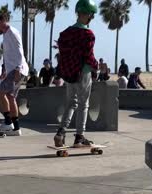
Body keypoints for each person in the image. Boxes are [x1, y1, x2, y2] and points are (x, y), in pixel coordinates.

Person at [54, 0, 99, 148]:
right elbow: (89, 56)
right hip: (83, 72)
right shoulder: (87, 34)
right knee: (83, 104)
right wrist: (96, 67)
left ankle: (61, 132)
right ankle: (79, 137)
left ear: (77, 12)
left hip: (69, 73)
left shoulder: (65, 33)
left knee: (70, 103)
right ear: (90, 15)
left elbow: (63, 55)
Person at [0, 7, 29, 136]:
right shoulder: (7, 34)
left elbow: (19, 50)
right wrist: (6, 70)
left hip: (18, 69)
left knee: (2, 92)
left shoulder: (12, 32)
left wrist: (18, 68)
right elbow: (9, 55)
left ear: (2, 20)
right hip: (14, 69)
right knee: (11, 97)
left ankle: (8, 123)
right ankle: (16, 128)